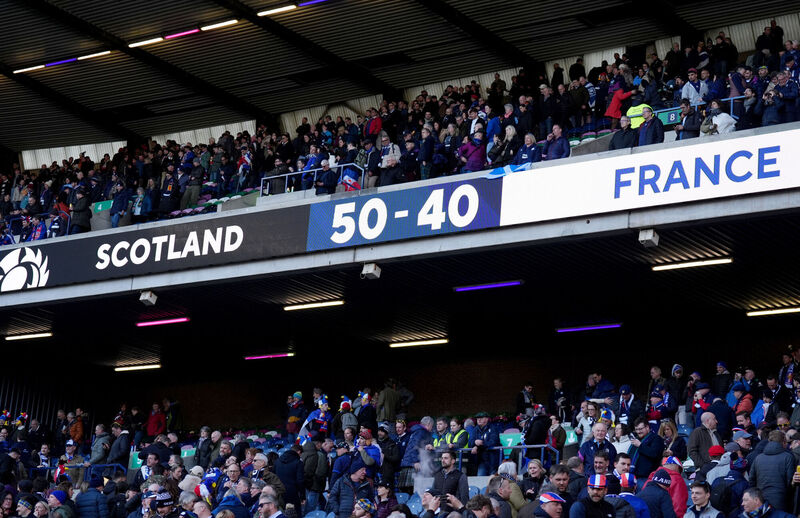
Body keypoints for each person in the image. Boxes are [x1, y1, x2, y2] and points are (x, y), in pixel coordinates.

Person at [749, 430, 795, 511]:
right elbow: (790, 481)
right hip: (781, 500)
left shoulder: (758, 458)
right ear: (784, 442)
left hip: (761, 499)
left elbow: (752, 480)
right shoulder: (788, 457)